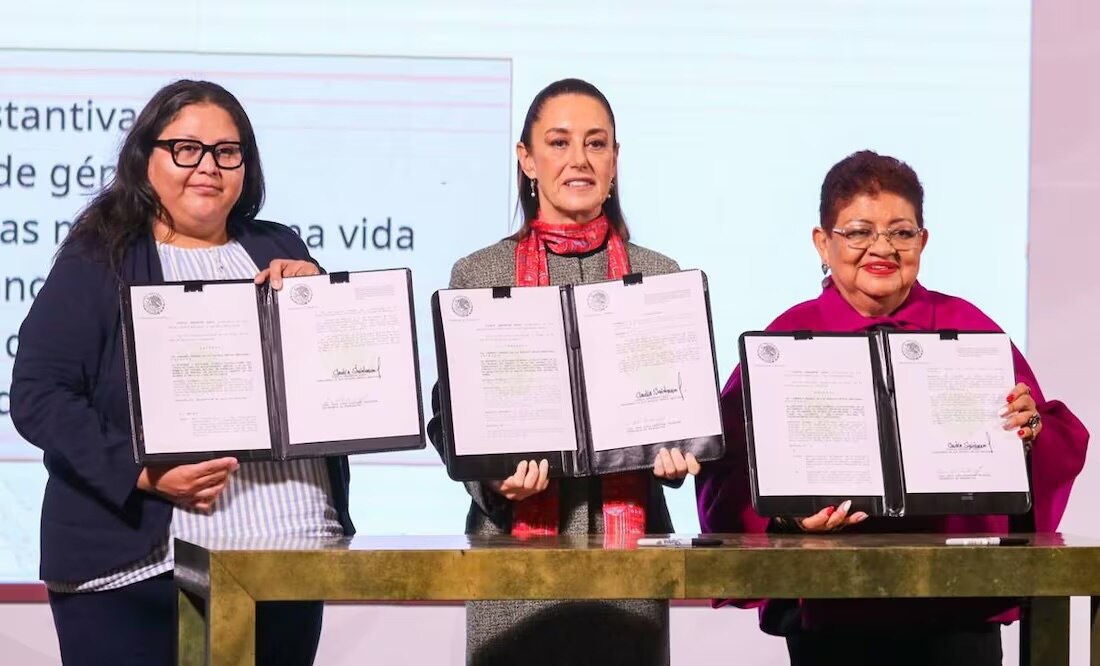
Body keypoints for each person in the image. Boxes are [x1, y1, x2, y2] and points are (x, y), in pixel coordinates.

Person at [696, 150, 1089, 666]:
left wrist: (1030, 427)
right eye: (859, 231)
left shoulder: (970, 331)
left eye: (901, 233)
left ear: (923, 241)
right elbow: (726, 467)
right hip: (830, 604)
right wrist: (790, 520)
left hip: (954, 603)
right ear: (823, 242)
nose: (881, 248)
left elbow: (1049, 446)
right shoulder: (785, 342)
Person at [10, 79, 354, 666]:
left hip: (284, 564)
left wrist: (320, 305)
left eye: (228, 151)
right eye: (186, 149)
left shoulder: (280, 247)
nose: (209, 166)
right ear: (147, 159)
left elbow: (337, 383)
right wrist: (141, 471)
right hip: (134, 572)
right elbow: (38, 395)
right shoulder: (101, 256)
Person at [427, 78, 699, 666]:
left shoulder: (660, 275)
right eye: (559, 142)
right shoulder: (479, 272)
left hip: (630, 567)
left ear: (615, 161)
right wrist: (493, 480)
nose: (579, 159)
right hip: (512, 568)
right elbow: (448, 416)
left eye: (596, 144)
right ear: (526, 159)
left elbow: (679, 410)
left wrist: (677, 453)